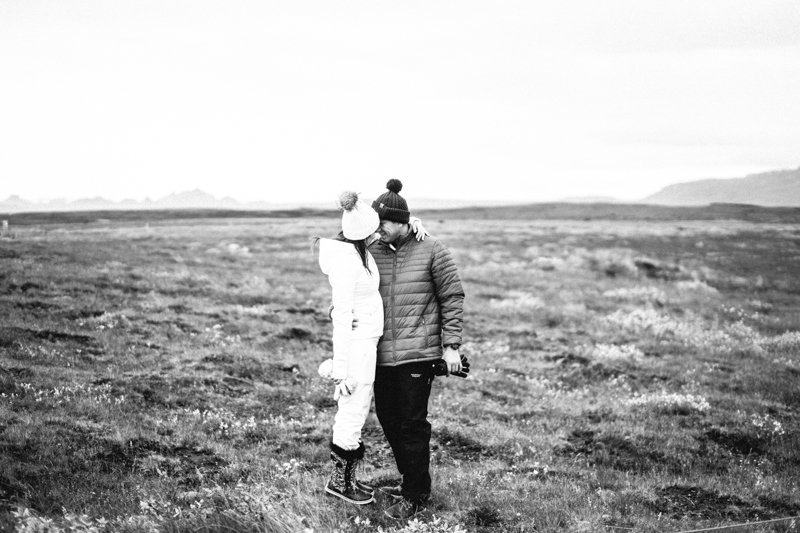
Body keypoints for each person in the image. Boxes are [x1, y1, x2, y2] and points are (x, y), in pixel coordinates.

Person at [316, 191, 428, 506]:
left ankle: (348, 479)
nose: (379, 232)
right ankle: (340, 484)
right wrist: (340, 371)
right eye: (374, 229)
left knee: (360, 409)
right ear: (363, 231)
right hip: (356, 349)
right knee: (351, 411)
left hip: (367, 346)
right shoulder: (347, 263)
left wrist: (413, 224)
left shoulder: (359, 251)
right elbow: (341, 316)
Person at [369, 179, 465, 520]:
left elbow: (452, 297)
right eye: (374, 224)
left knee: (412, 424)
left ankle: (415, 493)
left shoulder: (432, 248)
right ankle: (411, 478)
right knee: (388, 419)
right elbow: (341, 243)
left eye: (384, 224)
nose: (379, 230)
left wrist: (451, 347)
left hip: (418, 354)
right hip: (380, 355)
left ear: (403, 222)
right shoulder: (370, 248)